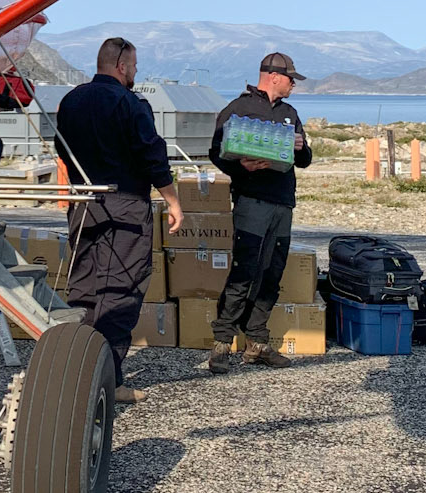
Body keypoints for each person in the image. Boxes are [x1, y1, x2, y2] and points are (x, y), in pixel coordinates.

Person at [54, 39, 183, 403]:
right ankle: (108, 381)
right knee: (120, 290)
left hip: (83, 203)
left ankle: (76, 371)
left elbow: (60, 146)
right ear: (122, 66)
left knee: (84, 288)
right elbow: (151, 155)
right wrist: (173, 201)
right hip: (125, 203)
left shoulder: (71, 100)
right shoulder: (131, 104)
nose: (136, 73)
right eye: (135, 67)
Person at [205, 51, 313, 373]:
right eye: (291, 78)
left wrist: (301, 147)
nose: (294, 83)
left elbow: (306, 159)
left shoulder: (289, 112)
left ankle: (257, 342)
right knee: (244, 270)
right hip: (252, 201)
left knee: (271, 274)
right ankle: (222, 344)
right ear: (274, 76)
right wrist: (242, 167)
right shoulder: (237, 109)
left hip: (283, 203)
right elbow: (216, 152)